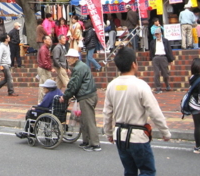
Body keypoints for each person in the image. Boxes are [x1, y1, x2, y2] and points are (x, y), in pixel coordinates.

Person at [103, 47, 171, 175]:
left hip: (120, 135)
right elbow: (154, 112)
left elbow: (107, 113)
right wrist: (165, 132)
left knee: (129, 171)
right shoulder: (141, 85)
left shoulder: (112, 85)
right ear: (134, 64)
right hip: (138, 136)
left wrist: (108, 132)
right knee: (147, 171)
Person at [59, 49, 100, 151]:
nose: (68, 59)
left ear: (75, 58)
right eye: (67, 57)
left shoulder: (78, 68)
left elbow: (73, 85)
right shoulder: (80, 66)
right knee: (84, 120)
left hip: (86, 97)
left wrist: (65, 96)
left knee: (88, 121)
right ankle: (86, 141)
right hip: (88, 95)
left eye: (69, 57)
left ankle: (94, 144)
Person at [149, 27, 174, 94]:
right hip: (156, 57)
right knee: (156, 73)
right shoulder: (152, 42)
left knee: (165, 73)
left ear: (161, 33)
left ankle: (167, 85)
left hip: (163, 57)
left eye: (158, 34)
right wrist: (152, 58)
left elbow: (169, 50)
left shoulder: (165, 41)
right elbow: (151, 51)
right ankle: (158, 87)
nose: (157, 35)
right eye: (156, 34)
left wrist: (171, 59)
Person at [37, 35, 54, 103]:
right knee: (43, 85)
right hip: (43, 69)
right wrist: (50, 68)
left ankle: (44, 100)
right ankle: (41, 101)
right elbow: (44, 62)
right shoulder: (44, 49)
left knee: (45, 84)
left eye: (50, 39)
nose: (50, 41)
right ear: (44, 41)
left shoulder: (46, 48)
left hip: (44, 68)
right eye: (48, 39)